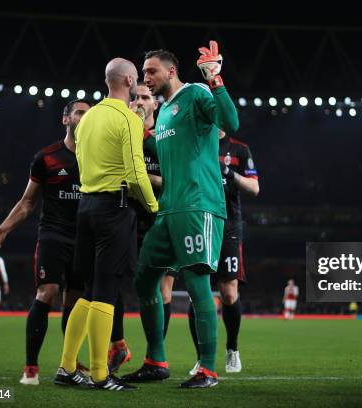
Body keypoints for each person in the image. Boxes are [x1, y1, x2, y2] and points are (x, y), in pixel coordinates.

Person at [122, 41, 239, 388]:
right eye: (143, 73)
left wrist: (215, 79)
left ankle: (207, 369)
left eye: (151, 71)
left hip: (198, 204)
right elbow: (162, 154)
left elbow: (230, 122)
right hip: (169, 210)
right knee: (145, 279)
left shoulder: (196, 94)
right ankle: (156, 360)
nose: (146, 78)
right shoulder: (165, 113)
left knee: (198, 283)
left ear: (171, 70)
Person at [54, 57, 158, 391]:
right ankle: (100, 374)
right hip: (115, 209)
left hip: (86, 207)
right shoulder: (126, 118)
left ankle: (67, 367)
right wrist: (153, 207)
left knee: (85, 291)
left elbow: (82, 166)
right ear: (129, 81)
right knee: (106, 291)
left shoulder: (87, 119)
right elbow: (135, 171)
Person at [0, 99, 91, 385]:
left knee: (76, 302)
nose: (84, 117)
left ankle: (70, 364)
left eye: (89, 114)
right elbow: (28, 202)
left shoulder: (98, 156)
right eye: (79, 112)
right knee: (47, 293)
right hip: (53, 235)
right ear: (65, 119)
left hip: (85, 240)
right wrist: (4, 229)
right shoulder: (47, 157)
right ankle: (31, 368)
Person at [187, 129, 259, 375]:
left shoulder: (240, 149)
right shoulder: (194, 142)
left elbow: (254, 188)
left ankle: (232, 349)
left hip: (228, 224)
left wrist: (231, 174)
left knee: (228, 293)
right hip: (197, 220)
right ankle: (201, 358)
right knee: (197, 291)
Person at [107, 83, 161, 373]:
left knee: (161, 294)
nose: (139, 101)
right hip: (123, 219)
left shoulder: (163, 139)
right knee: (111, 281)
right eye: (135, 97)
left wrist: (143, 177)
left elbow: (175, 181)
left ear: (155, 104)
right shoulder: (122, 137)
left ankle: (154, 358)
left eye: (145, 97)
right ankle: (118, 345)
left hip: (157, 223)